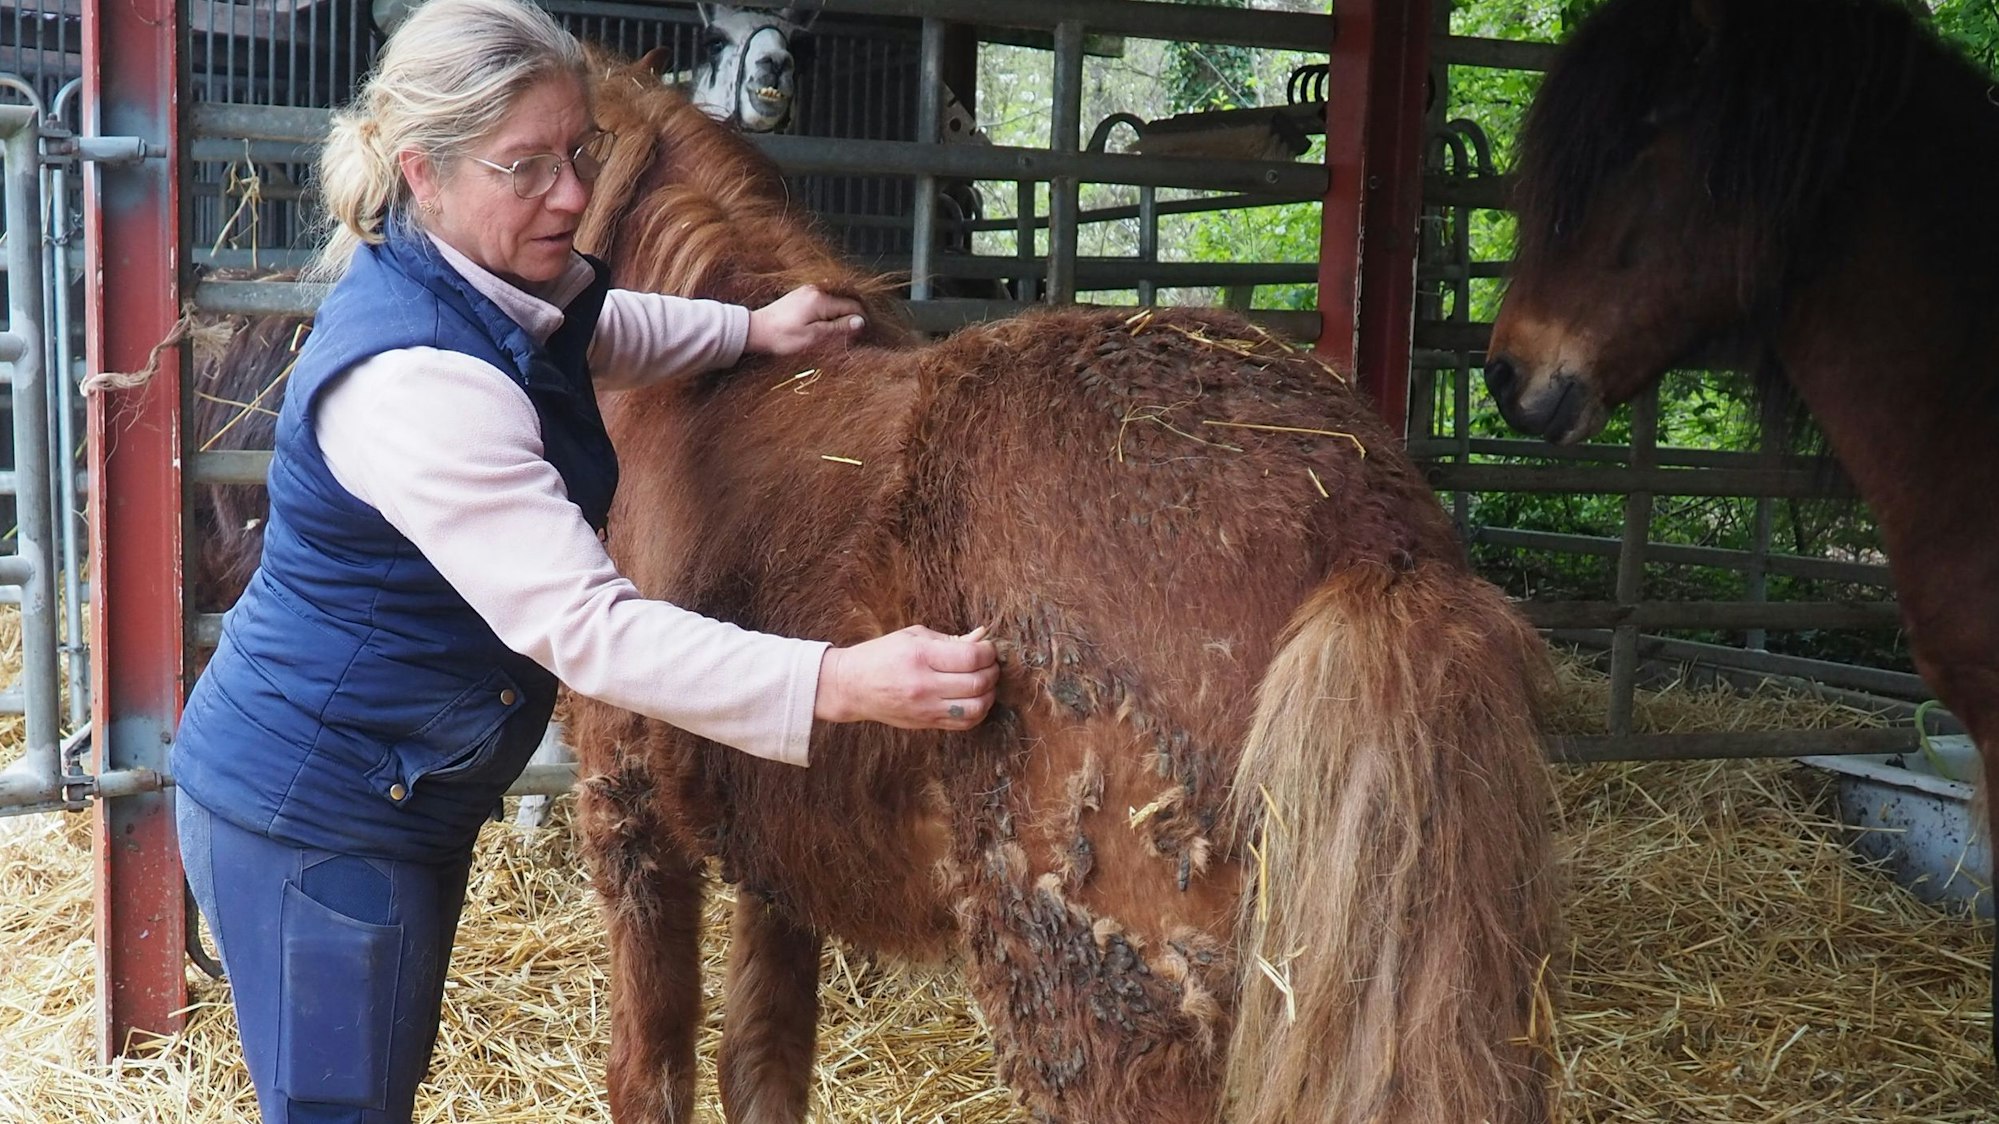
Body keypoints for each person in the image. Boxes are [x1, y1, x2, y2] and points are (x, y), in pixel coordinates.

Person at [169, 1, 999, 1119]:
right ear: (422, 172)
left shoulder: (473, 272)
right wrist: (840, 680)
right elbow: (590, 630)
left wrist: (751, 332)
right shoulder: (418, 386)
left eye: (581, 152)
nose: (570, 195)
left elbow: (599, 328)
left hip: (393, 789)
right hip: (312, 813)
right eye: (527, 167)